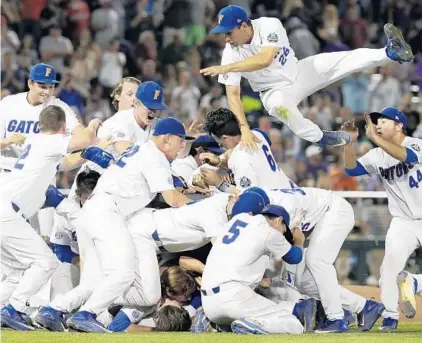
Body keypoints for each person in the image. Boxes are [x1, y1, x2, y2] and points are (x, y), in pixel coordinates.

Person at [200, 5, 414, 149]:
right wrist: (244, 129)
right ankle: (321, 138)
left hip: (300, 72)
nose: (226, 38)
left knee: (343, 60)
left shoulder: (269, 25)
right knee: (280, 107)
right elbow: (233, 95)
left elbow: (265, 58)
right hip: (273, 91)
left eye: (229, 32)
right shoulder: (230, 53)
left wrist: (227, 68)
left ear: (244, 25)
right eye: (223, 33)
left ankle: (390, 53)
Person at [66, 116, 196, 333]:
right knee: (122, 274)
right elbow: (173, 199)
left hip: (98, 208)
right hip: (108, 211)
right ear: (167, 138)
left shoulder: (142, 149)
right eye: (181, 140)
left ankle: (55, 309)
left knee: (102, 279)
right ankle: (84, 314)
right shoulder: (155, 157)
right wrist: (205, 208)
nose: (184, 145)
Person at [0, 105, 101, 330]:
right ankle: (13, 309)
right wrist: (94, 122)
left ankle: (5, 310)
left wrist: (85, 156)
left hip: (5, 209)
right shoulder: (51, 141)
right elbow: (86, 138)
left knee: (18, 271)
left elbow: (65, 163)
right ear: (63, 127)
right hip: (7, 213)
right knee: (46, 263)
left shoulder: (36, 141)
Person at [244, 187, 384, 332]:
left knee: (317, 260)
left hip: (333, 211)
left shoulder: (285, 206)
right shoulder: (265, 201)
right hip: (314, 222)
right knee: (303, 282)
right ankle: (364, 307)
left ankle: (335, 318)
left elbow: (293, 243)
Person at [343, 108, 422, 331]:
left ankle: (415, 282)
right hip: (403, 221)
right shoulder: (377, 155)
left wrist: (374, 138)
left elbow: (407, 156)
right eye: (377, 122)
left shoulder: (415, 143)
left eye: (384, 122)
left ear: (399, 126)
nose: (378, 125)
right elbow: (351, 169)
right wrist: (349, 143)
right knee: (389, 268)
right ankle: (389, 315)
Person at [201, 203, 319, 335]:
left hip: (208, 303)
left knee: (239, 314)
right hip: (234, 297)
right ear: (279, 220)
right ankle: (254, 325)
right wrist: (299, 239)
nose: (282, 234)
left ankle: (212, 323)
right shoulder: (268, 231)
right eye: (284, 230)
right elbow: (295, 257)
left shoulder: (238, 220)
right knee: (293, 325)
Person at [199, 108, 291, 193]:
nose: (220, 145)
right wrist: (220, 162)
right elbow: (253, 159)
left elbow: (248, 196)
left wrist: (218, 182)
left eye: (219, 142)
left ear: (225, 138)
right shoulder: (257, 134)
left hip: (275, 202)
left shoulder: (238, 158)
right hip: (288, 190)